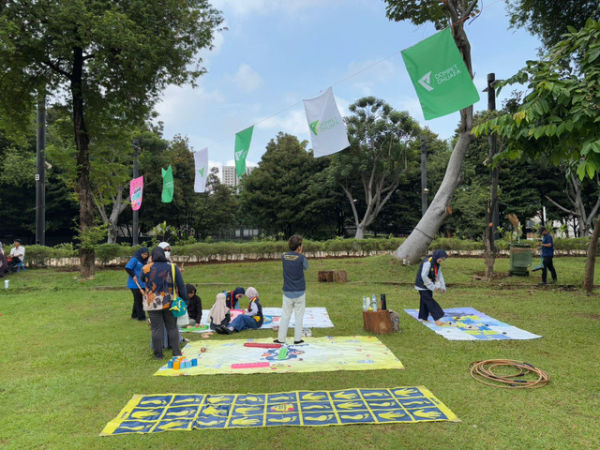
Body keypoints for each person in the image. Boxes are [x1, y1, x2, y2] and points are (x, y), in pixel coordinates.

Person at [141, 246, 187, 359]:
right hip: (169, 301)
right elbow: (181, 285)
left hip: (152, 302)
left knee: (156, 328)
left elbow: (142, 279)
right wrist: (185, 300)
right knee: (172, 327)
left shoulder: (146, 268)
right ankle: (176, 352)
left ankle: (158, 354)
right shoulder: (172, 267)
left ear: (152, 256)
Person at [275, 234, 308, 345]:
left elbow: (287, 257)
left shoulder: (283, 256)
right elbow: (306, 267)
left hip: (287, 291)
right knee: (299, 316)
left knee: (285, 315)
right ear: (299, 247)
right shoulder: (302, 258)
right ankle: (297, 339)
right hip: (300, 291)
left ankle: (281, 339)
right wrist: (300, 254)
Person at [415, 249, 448, 326]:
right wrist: (432, 286)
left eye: (443, 259)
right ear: (437, 256)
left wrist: (443, 287)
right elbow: (423, 275)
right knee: (430, 301)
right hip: (421, 285)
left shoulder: (437, 264)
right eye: (441, 259)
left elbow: (440, 276)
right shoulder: (428, 263)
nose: (442, 260)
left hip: (429, 286)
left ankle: (424, 318)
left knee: (424, 301)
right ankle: (437, 319)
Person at [125, 247, 149, 321]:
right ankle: (141, 317)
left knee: (137, 299)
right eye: (143, 254)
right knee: (140, 299)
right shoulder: (135, 259)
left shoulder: (146, 261)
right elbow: (128, 268)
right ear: (140, 253)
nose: (145, 256)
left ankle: (134, 315)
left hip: (142, 283)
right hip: (134, 283)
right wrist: (133, 275)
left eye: (146, 254)